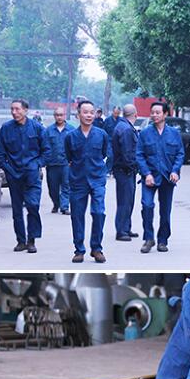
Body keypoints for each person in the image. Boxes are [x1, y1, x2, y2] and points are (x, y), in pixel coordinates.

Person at [0, 99, 48, 253]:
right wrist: (8, 170)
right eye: (12, 109)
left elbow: (47, 151)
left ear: (26, 110)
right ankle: (21, 241)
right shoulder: (6, 129)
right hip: (14, 175)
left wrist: (37, 164)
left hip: (32, 175)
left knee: (33, 205)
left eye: (17, 109)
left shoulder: (37, 128)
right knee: (17, 210)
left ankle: (32, 240)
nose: (14, 112)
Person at [64, 100, 112, 263]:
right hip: (78, 180)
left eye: (91, 112)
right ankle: (79, 250)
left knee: (99, 212)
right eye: (85, 112)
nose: (89, 115)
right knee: (77, 215)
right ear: (78, 115)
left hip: (97, 179)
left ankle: (96, 248)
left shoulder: (101, 134)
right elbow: (69, 157)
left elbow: (105, 153)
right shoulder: (70, 137)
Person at [135, 102, 184, 253]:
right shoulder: (145, 133)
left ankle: (163, 240)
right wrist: (147, 173)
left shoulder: (174, 134)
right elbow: (139, 155)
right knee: (147, 205)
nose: (154, 115)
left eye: (158, 112)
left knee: (165, 211)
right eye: (153, 112)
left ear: (165, 114)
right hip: (150, 177)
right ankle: (148, 238)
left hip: (167, 178)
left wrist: (175, 171)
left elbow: (180, 153)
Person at [112, 104, 141, 242]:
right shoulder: (126, 129)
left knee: (127, 200)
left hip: (123, 169)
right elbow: (128, 153)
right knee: (125, 201)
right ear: (135, 114)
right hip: (125, 170)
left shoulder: (122, 126)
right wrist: (134, 167)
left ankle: (126, 227)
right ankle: (121, 230)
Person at [43, 107, 73, 215]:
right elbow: (45, 146)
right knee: (53, 188)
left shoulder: (71, 130)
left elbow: (75, 146)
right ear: (54, 116)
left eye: (61, 115)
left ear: (65, 115)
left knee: (66, 185)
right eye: (57, 115)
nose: (59, 117)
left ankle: (64, 207)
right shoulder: (48, 131)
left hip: (66, 164)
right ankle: (56, 203)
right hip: (52, 164)